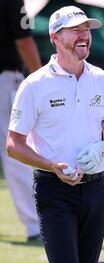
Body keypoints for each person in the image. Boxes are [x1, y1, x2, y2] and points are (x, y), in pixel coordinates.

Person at [7, 6, 104, 263]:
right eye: (75, 30)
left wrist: (102, 149)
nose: (84, 36)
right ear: (55, 37)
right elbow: (14, 144)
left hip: (97, 190)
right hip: (54, 191)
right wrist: (51, 165)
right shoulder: (34, 85)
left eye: (87, 30)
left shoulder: (101, 79)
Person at [0, 0, 42, 241]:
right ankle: (36, 224)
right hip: (5, 80)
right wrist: (41, 81)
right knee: (16, 149)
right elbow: (24, 41)